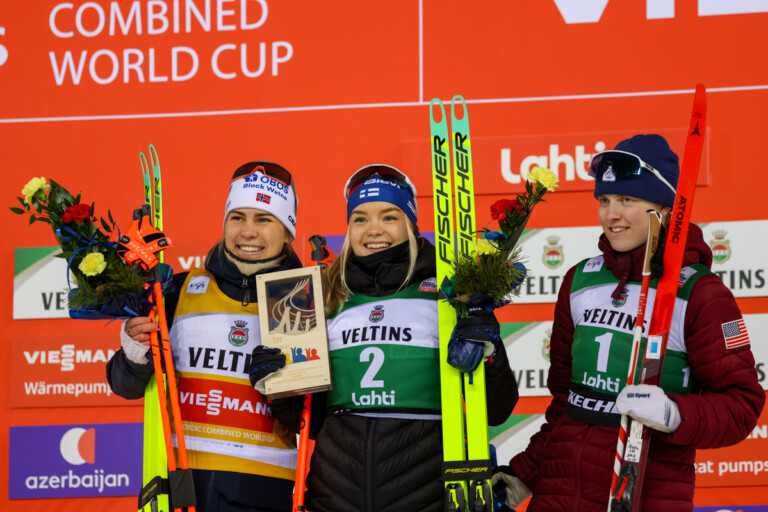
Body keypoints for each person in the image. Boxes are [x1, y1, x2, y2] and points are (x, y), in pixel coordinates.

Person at [493, 134, 765, 511]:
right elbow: (565, 405)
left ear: (667, 208)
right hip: (559, 496)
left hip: (643, 495)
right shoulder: (580, 281)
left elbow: (741, 405)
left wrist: (673, 413)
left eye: (627, 200)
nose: (611, 215)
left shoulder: (701, 294)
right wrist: (524, 473)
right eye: (604, 200)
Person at [252, 164, 520, 512]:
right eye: (360, 219)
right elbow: (308, 420)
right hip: (335, 496)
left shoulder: (448, 291)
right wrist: (276, 382)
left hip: (428, 494)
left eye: (389, 217)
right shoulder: (317, 295)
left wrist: (490, 348)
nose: (373, 229)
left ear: (411, 224)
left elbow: (497, 410)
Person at [106, 161, 302, 512]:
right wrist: (135, 350)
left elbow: (311, 418)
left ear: (288, 232)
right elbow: (124, 385)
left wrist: (285, 386)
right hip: (180, 484)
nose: (247, 232)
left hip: (265, 489)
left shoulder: (302, 301)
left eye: (264, 219)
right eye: (237, 217)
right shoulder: (177, 290)